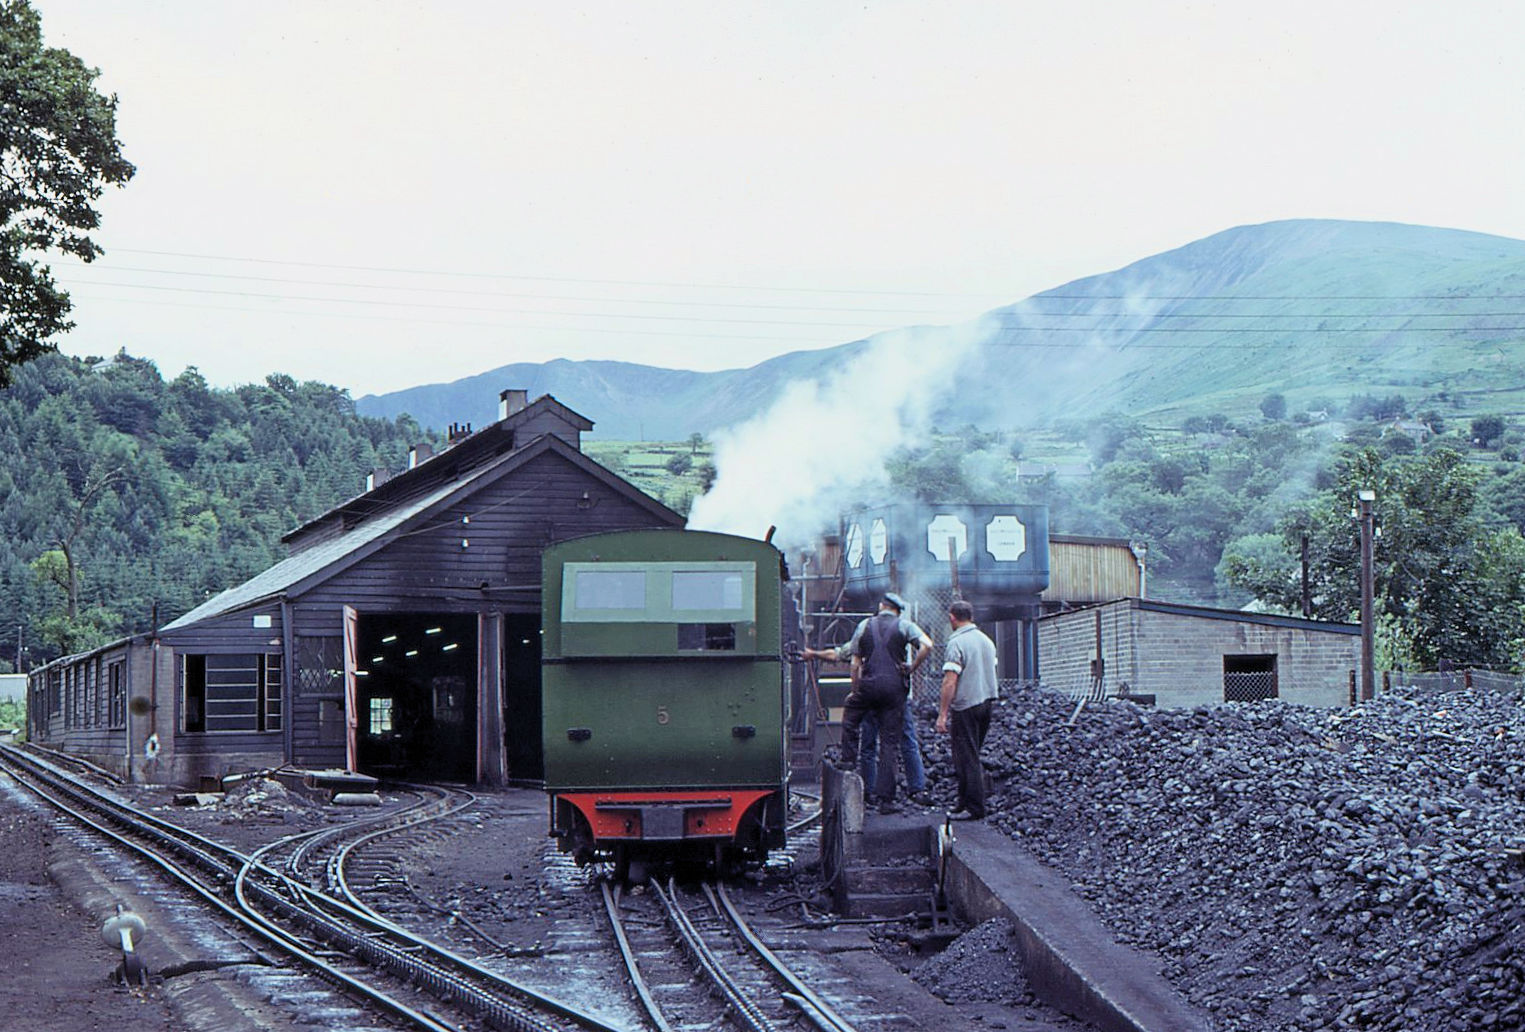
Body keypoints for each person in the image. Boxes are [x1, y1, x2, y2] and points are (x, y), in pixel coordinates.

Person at [803, 592, 931, 812]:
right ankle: (896, 796)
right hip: (894, 693)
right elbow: (927, 645)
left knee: (866, 740)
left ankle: (863, 783)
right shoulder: (904, 626)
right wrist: (912, 668)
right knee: (894, 742)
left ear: (881, 606)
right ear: (898, 611)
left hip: (869, 691)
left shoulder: (865, 626)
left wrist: (854, 691)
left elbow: (847, 658)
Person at [936, 599, 998, 821]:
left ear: (952, 617)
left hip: (966, 705)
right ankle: (963, 802)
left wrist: (943, 714)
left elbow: (950, 681)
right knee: (972, 753)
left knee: (966, 757)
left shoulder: (957, 642)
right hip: (986, 702)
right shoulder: (986, 641)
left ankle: (974, 808)